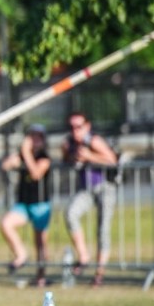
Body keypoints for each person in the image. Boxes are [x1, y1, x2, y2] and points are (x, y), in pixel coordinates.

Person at [62, 112, 118, 287]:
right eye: (71, 127)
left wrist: (90, 156)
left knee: (103, 230)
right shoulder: (70, 143)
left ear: (87, 126)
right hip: (86, 189)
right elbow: (66, 160)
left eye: (78, 126)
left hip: (105, 187)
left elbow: (112, 160)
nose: (75, 131)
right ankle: (84, 256)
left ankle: (99, 274)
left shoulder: (93, 140)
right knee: (71, 213)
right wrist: (68, 154)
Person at [0, 124, 52, 287]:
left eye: (38, 137)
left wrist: (27, 153)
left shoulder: (44, 157)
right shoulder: (22, 155)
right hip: (24, 204)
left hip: (41, 205)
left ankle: (41, 277)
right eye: (32, 136)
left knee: (41, 243)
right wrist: (17, 156)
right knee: (6, 224)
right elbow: (5, 165)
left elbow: (36, 173)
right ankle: (21, 255)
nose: (34, 140)